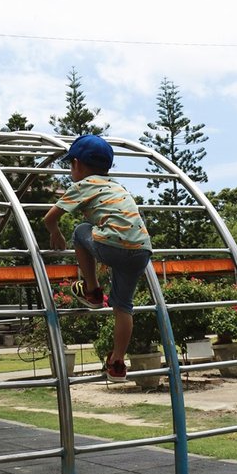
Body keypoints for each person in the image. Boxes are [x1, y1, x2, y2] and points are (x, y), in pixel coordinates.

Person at [43, 133, 152, 382]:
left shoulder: (83, 185)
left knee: (81, 230)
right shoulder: (117, 187)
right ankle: (117, 363)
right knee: (123, 307)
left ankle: (92, 291)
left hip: (113, 245)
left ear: (77, 164)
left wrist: (55, 233)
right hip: (141, 250)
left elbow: (50, 217)